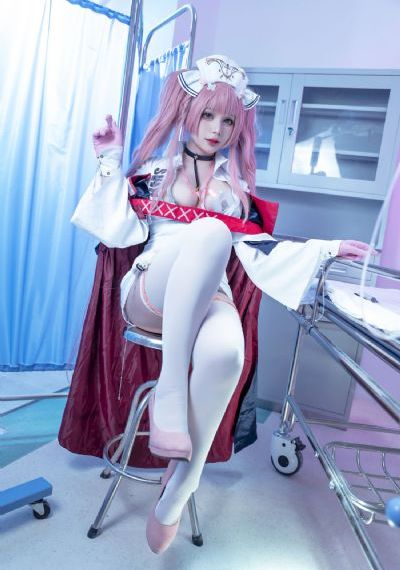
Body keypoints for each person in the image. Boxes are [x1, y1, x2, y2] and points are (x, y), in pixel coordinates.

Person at [71, 55, 374, 554]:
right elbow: (112, 227)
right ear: (186, 112)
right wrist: (109, 158)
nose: (217, 129)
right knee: (211, 231)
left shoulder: (236, 191)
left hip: (211, 295)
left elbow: (259, 252)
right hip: (151, 287)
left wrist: (327, 248)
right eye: (208, 115)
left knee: (229, 355)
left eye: (229, 120)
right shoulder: (155, 172)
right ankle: (170, 390)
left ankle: (181, 483)